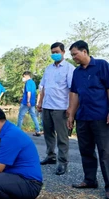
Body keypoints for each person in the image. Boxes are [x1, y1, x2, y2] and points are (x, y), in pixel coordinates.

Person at [67, 40, 109, 199]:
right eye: (71, 55)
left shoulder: (102, 65)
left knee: (105, 152)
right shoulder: (77, 72)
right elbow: (75, 94)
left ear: (85, 51)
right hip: (83, 117)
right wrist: (71, 114)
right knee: (86, 150)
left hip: (100, 116)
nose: (73, 57)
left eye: (75, 54)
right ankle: (90, 180)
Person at [37, 42, 75, 175]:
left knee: (62, 137)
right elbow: (43, 87)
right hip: (47, 105)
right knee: (48, 133)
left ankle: (63, 162)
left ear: (63, 52)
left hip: (61, 107)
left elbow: (72, 90)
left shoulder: (69, 68)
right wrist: (40, 102)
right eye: (52, 52)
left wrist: (71, 108)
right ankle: (50, 156)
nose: (54, 54)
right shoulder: (48, 69)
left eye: (57, 52)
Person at [17, 71, 41, 136]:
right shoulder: (33, 82)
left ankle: (18, 131)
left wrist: (27, 101)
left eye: (24, 76)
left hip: (26, 103)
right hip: (32, 102)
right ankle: (38, 130)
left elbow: (29, 92)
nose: (23, 77)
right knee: (34, 116)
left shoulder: (27, 83)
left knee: (20, 116)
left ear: (27, 76)